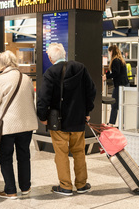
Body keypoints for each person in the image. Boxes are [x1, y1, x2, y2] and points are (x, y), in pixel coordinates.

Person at [37, 43, 96, 196]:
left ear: (50, 58)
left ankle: (65, 186)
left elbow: (43, 97)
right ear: (64, 54)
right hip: (78, 120)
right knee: (79, 152)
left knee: (61, 154)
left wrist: (42, 117)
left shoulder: (50, 72)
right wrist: (87, 110)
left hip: (59, 122)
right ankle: (82, 185)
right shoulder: (80, 68)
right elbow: (91, 90)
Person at [0, 50, 38, 199]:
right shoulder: (26, 78)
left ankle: (10, 190)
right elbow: (31, 98)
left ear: (0, 63)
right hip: (26, 125)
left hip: (7, 125)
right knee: (24, 156)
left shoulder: (0, 79)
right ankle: (26, 187)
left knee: (5, 157)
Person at [103, 45, 129, 127]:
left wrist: (106, 77)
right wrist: (106, 74)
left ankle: (111, 123)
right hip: (124, 84)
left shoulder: (115, 60)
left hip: (119, 85)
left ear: (112, 51)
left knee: (114, 104)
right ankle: (124, 123)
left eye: (109, 52)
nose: (109, 54)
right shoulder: (120, 60)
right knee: (121, 104)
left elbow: (115, 72)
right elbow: (112, 71)